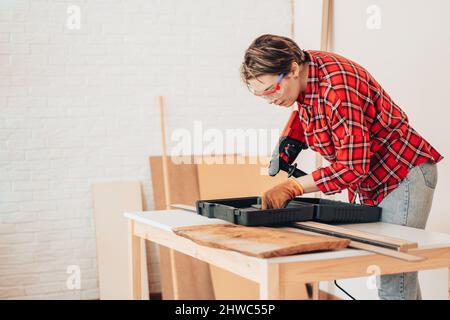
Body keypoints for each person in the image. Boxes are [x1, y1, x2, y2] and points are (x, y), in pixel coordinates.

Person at [240, 34, 443, 300]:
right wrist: (292, 137)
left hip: (402, 174)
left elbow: (352, 167)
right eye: (260, 94)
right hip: (376, 179)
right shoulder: (306, 67)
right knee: (394, 274)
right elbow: (311, 104)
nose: (269, 99)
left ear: (291, 69)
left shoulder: (336, 89)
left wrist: (294, 186)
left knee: (394, 275)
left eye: (270, 90)